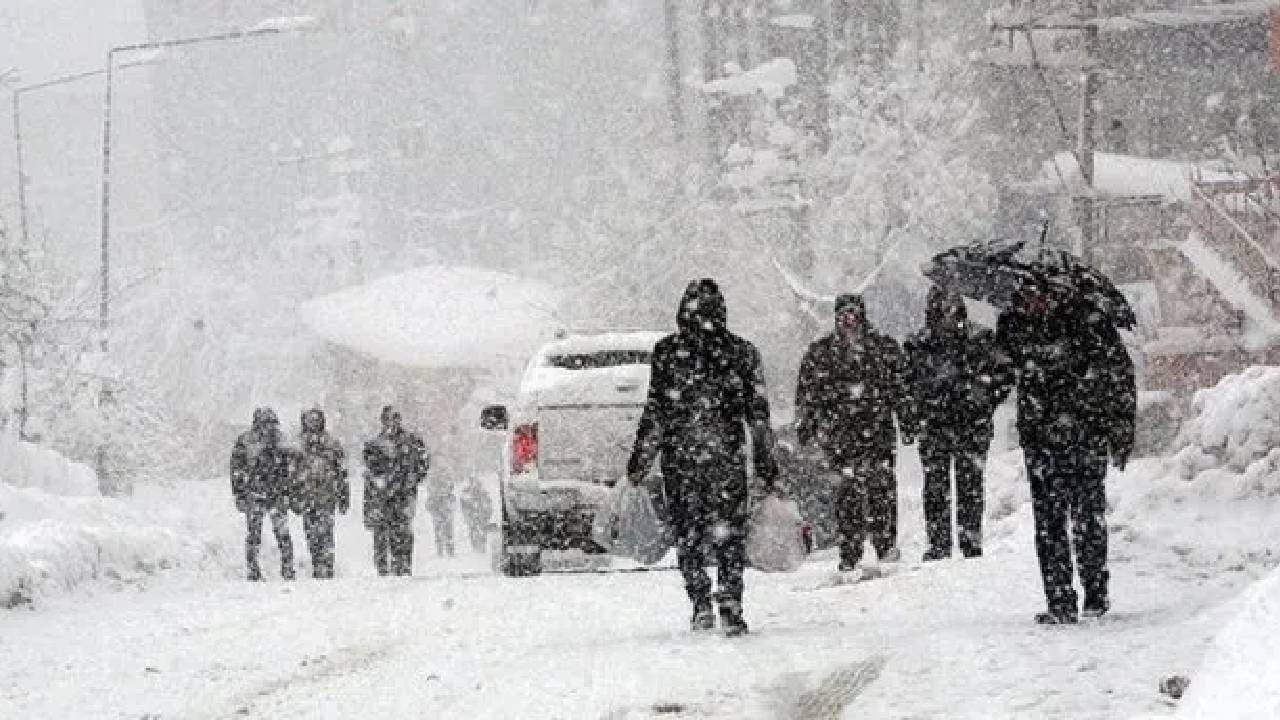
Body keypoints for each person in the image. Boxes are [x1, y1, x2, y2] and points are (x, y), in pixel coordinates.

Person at [627, 278, 779, 637]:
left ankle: (700, 603)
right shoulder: (742, 353)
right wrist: (766, 466)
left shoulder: (668, 353)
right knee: (729, 536)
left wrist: (640, 462)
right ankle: (730, 603)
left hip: (682, 460)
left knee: (689, 533)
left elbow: (656, 412)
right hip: (725, 459)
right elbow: (758, 417)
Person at [997, 282, 1135, 624]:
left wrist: (1120, 431)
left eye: (1038, 294)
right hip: (1042, 441)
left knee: (1087, 518)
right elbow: (998, 369)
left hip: (1084, 436)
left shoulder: (1088, 322)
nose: (1033, 300)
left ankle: (1095, 594)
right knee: (1049, 523)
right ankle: (1059, 600)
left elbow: (1119, 376)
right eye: (1026, 294)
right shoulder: (1016, 326)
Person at [795, 293, 914, 573]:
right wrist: (807, 425)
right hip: (840, 434)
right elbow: (807, 393)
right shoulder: (821, 353)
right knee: (846, 493)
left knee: (881, 488)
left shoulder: (883, 349)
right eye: (843, 315)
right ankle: (850, 550)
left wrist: (907, 421)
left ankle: (885, 545)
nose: (848, 321)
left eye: (853, 314)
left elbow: (901, 388)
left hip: (877, 431)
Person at [904, 287, 1013, 561]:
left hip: (971, 424)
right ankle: (939, 543)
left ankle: (970, 541)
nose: (946, 314)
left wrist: (985, 398)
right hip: (935, 425)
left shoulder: (981, 339)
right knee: (935, 487)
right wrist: (918, 409)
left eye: (950, 307)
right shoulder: (918, 344)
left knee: (970, 486)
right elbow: (905, 384)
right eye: (940, 308)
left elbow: (1004, 375)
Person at [362, 406, 431, 576]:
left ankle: (402, 566)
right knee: (381, 532)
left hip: (403, 494)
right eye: (387, 419)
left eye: (394, 419)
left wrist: (413, 479)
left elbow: (423, 462)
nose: (391, 423)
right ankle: (384, 567)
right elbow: (370, 472)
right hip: (383, 495)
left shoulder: (412, 442)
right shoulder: (374, 445)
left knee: (402, 531)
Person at [229, 407, 295, 581]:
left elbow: (290, 469)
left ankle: (287, 568)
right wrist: (239, 494)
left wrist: (288, 491)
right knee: (254, 534)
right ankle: (253, 570)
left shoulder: (281, 440)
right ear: (257, 423)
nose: (269, 427)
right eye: (266, 423)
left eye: (272, 423)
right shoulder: (246, 441)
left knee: (282, 534)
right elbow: (236, 469)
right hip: (255, 493)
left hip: (275, 494)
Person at [292, 407, 349, 579]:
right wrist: (293, 497)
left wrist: (344, 496)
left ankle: (327, 566)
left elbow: (342, 473)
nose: (313, 423)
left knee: (326, 533)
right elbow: (291, 474)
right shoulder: (298, 445)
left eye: (316, 420)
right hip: (307, 497)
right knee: (311, 534)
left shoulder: (332, 443)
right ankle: (317, 565)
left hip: (326, 497)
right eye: (310, 420)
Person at [425, 471, 457, 558]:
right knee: (443, 532)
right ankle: (443, 551)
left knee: (446, 532)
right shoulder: (435, 492)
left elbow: (453, 501)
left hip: (444, 513)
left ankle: (447, 550)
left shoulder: (445, 492)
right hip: (441, 513)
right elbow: (429, 504)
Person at [458, 477, 493, 553]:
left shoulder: (483, 492)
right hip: (473, 514)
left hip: (481, 514)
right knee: (474, 529)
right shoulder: (467, 492)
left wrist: (487, 513)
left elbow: (488, 503)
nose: (474, 485)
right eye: (473, 482)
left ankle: (482, 545)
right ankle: (476, 545)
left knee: (481, 530)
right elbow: (463, 504)